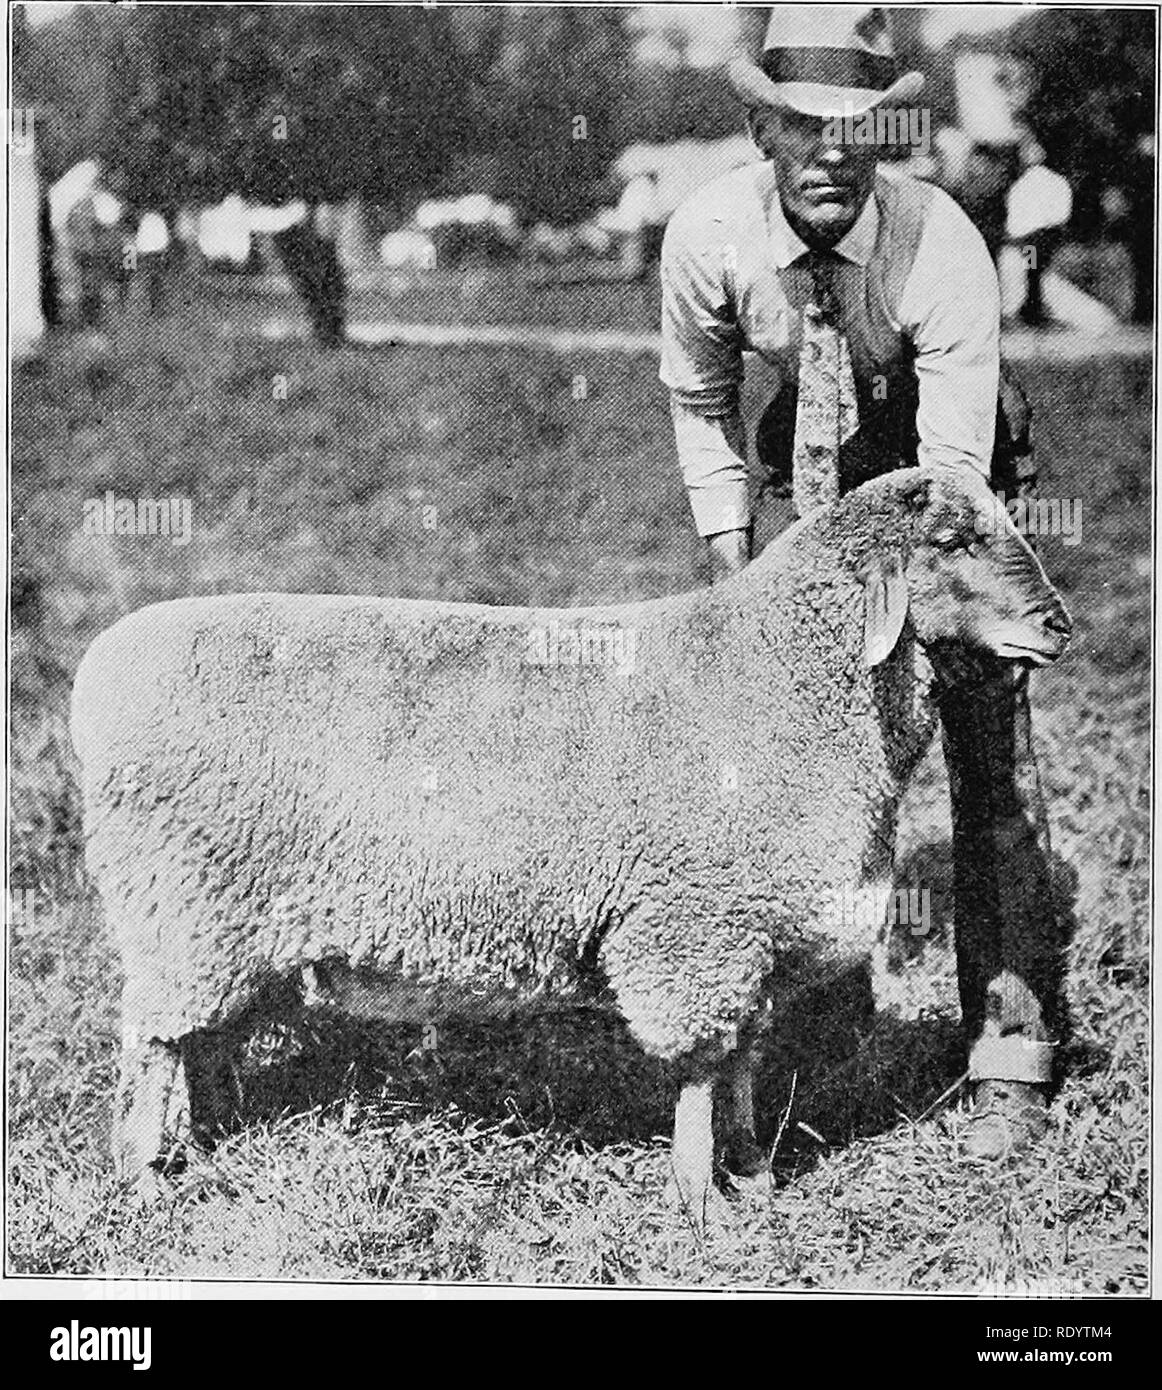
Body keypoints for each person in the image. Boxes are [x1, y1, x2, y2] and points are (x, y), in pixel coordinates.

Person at [660, 5, 1062, 1162]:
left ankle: (1008, 1049)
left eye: (858, 127)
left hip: (948, 484)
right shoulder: (708, 237)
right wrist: (739, 573)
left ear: (889, 132)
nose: (830, 151)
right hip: (808, 479)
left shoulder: (937, 243)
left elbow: (945, 490)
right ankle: (815, 1022)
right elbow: (700, 404)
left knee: (985, 758)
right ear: (758, 127)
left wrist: (907, 622)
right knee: (799, 763)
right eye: (799, 123)